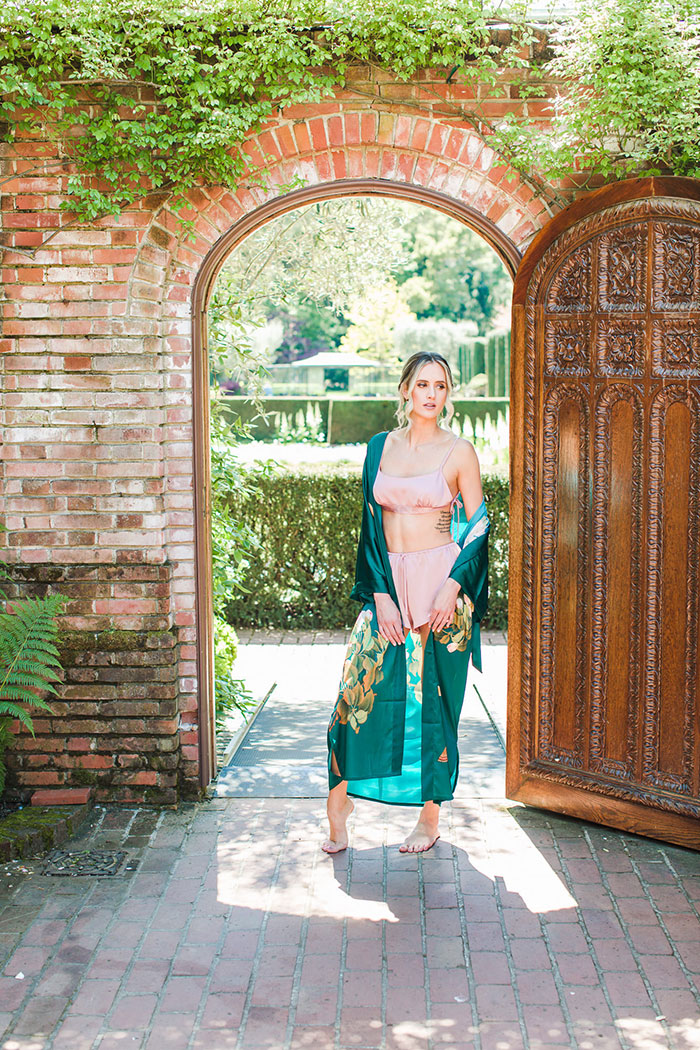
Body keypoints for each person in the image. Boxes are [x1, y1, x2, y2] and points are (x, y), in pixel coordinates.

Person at [323, 351, 490, 855]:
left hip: (442, 587)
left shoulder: (460, 451)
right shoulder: (379, 448)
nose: (432, 393)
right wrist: (381, 594)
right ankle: (340, 802)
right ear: (405, 390)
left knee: (435, 702)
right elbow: (369, 528)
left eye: (441, 385)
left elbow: (479, 525)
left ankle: (429, 817)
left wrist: (452, 587)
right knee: (358, 693)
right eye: (423, 384)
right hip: (388, 586)